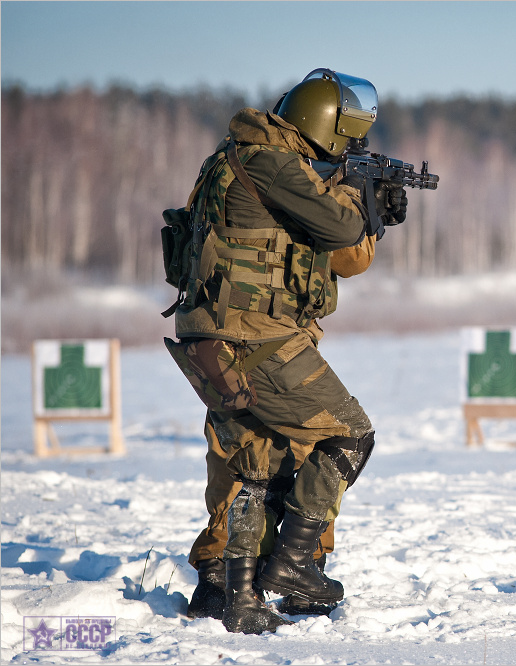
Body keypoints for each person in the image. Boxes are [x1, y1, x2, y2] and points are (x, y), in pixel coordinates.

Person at [165, 68, 406, 634]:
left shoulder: (229, 159)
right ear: (326, 124)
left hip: (212, 336)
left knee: (255, 465)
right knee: (349, 434)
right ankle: (294, 566)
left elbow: (326, 247)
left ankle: (236, 595)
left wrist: (361, 203)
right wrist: (361, 201)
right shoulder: (273, 164)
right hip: (257, 334)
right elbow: (343, 232)